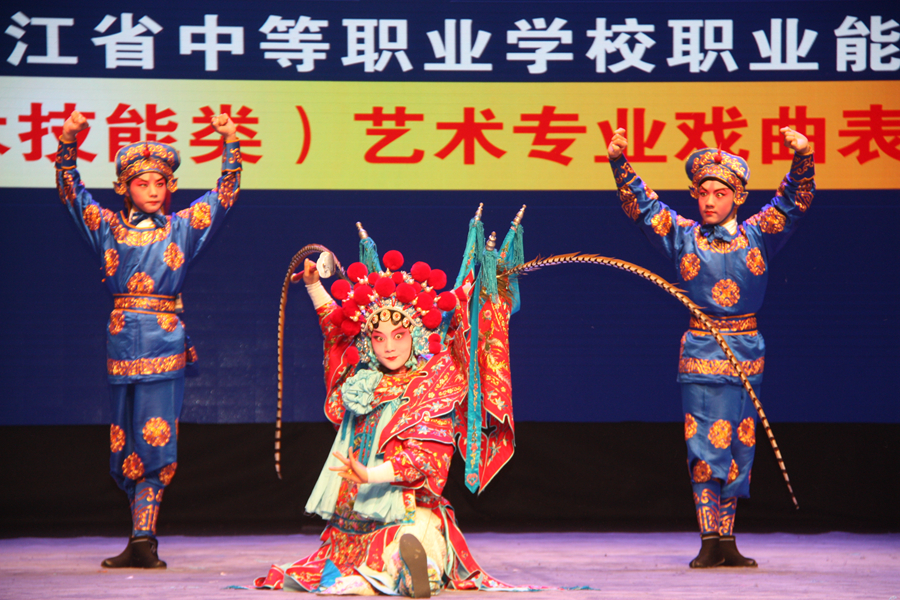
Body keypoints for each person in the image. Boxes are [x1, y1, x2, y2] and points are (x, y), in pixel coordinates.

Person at [255, 230, 519, 597]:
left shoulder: (431, 385)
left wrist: (370, 474)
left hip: (408, 509)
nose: (389, 347)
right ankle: (378, 576)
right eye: (378, 338)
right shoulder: (364, 379)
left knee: (414, 539)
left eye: (398, 335)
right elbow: (336, 328)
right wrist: (314, 285)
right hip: (353, 518)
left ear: (416, 336)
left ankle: (413, 573)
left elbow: (424, 459)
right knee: (352, 560)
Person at [605, 127, 815, 568]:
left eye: (720, 194)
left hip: (747, 351)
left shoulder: (758, 234)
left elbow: (791, 204)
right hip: (702, 351)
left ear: (738, 197)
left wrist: (803, 158)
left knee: (740, 444)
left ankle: (728, 539)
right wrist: (620, 163)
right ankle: (708, 538)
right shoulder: (683, 236)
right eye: (702, 193)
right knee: (704, 443)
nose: (709, 202)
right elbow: (645, 208)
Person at [55, 110, 242, 568]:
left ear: (170, 186)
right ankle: (137, 536)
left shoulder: (183, 227)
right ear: (125, 188)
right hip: (122, 344)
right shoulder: (107, 227)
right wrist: (67, 141)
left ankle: (146, 537)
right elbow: (72, 194)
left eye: (160, 183)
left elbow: (224, 194)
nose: (154, 191)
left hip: (164, 342)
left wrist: (231, 142)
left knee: (156, 437)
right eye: (143, 184)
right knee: (124, 444)